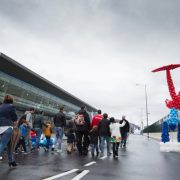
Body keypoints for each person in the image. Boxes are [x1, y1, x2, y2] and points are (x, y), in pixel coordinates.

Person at [0, 95, 18, 167]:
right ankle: (11, 161)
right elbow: (15, 118)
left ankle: (11, 161)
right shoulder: (11, 106)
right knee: (2, 144)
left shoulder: (0, 106)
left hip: (0, 127)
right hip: (8, 127)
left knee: (9, 145)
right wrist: (14, 120)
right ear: (11, 100)